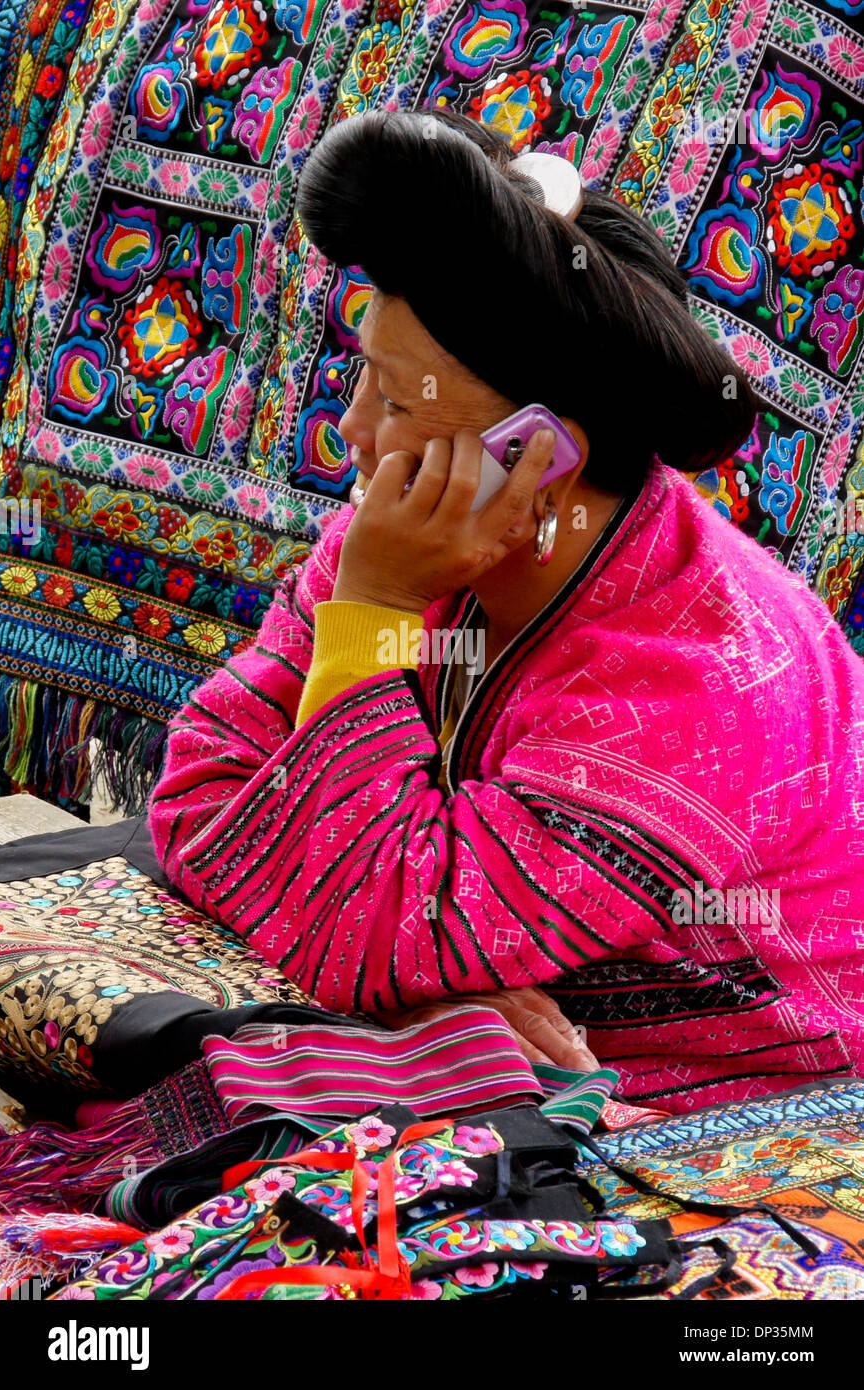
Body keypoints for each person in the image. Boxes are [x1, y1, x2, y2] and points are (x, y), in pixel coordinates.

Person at [147, 109, 864, 1113]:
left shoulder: (701, 679)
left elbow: (362, 926)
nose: (349, 430)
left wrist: (396, 948)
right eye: (364, 377)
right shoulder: (409, 544)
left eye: (396, 401)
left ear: (538, 452)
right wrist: (432, 975)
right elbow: (198, 785)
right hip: (520, 1039)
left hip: (722, 1100)